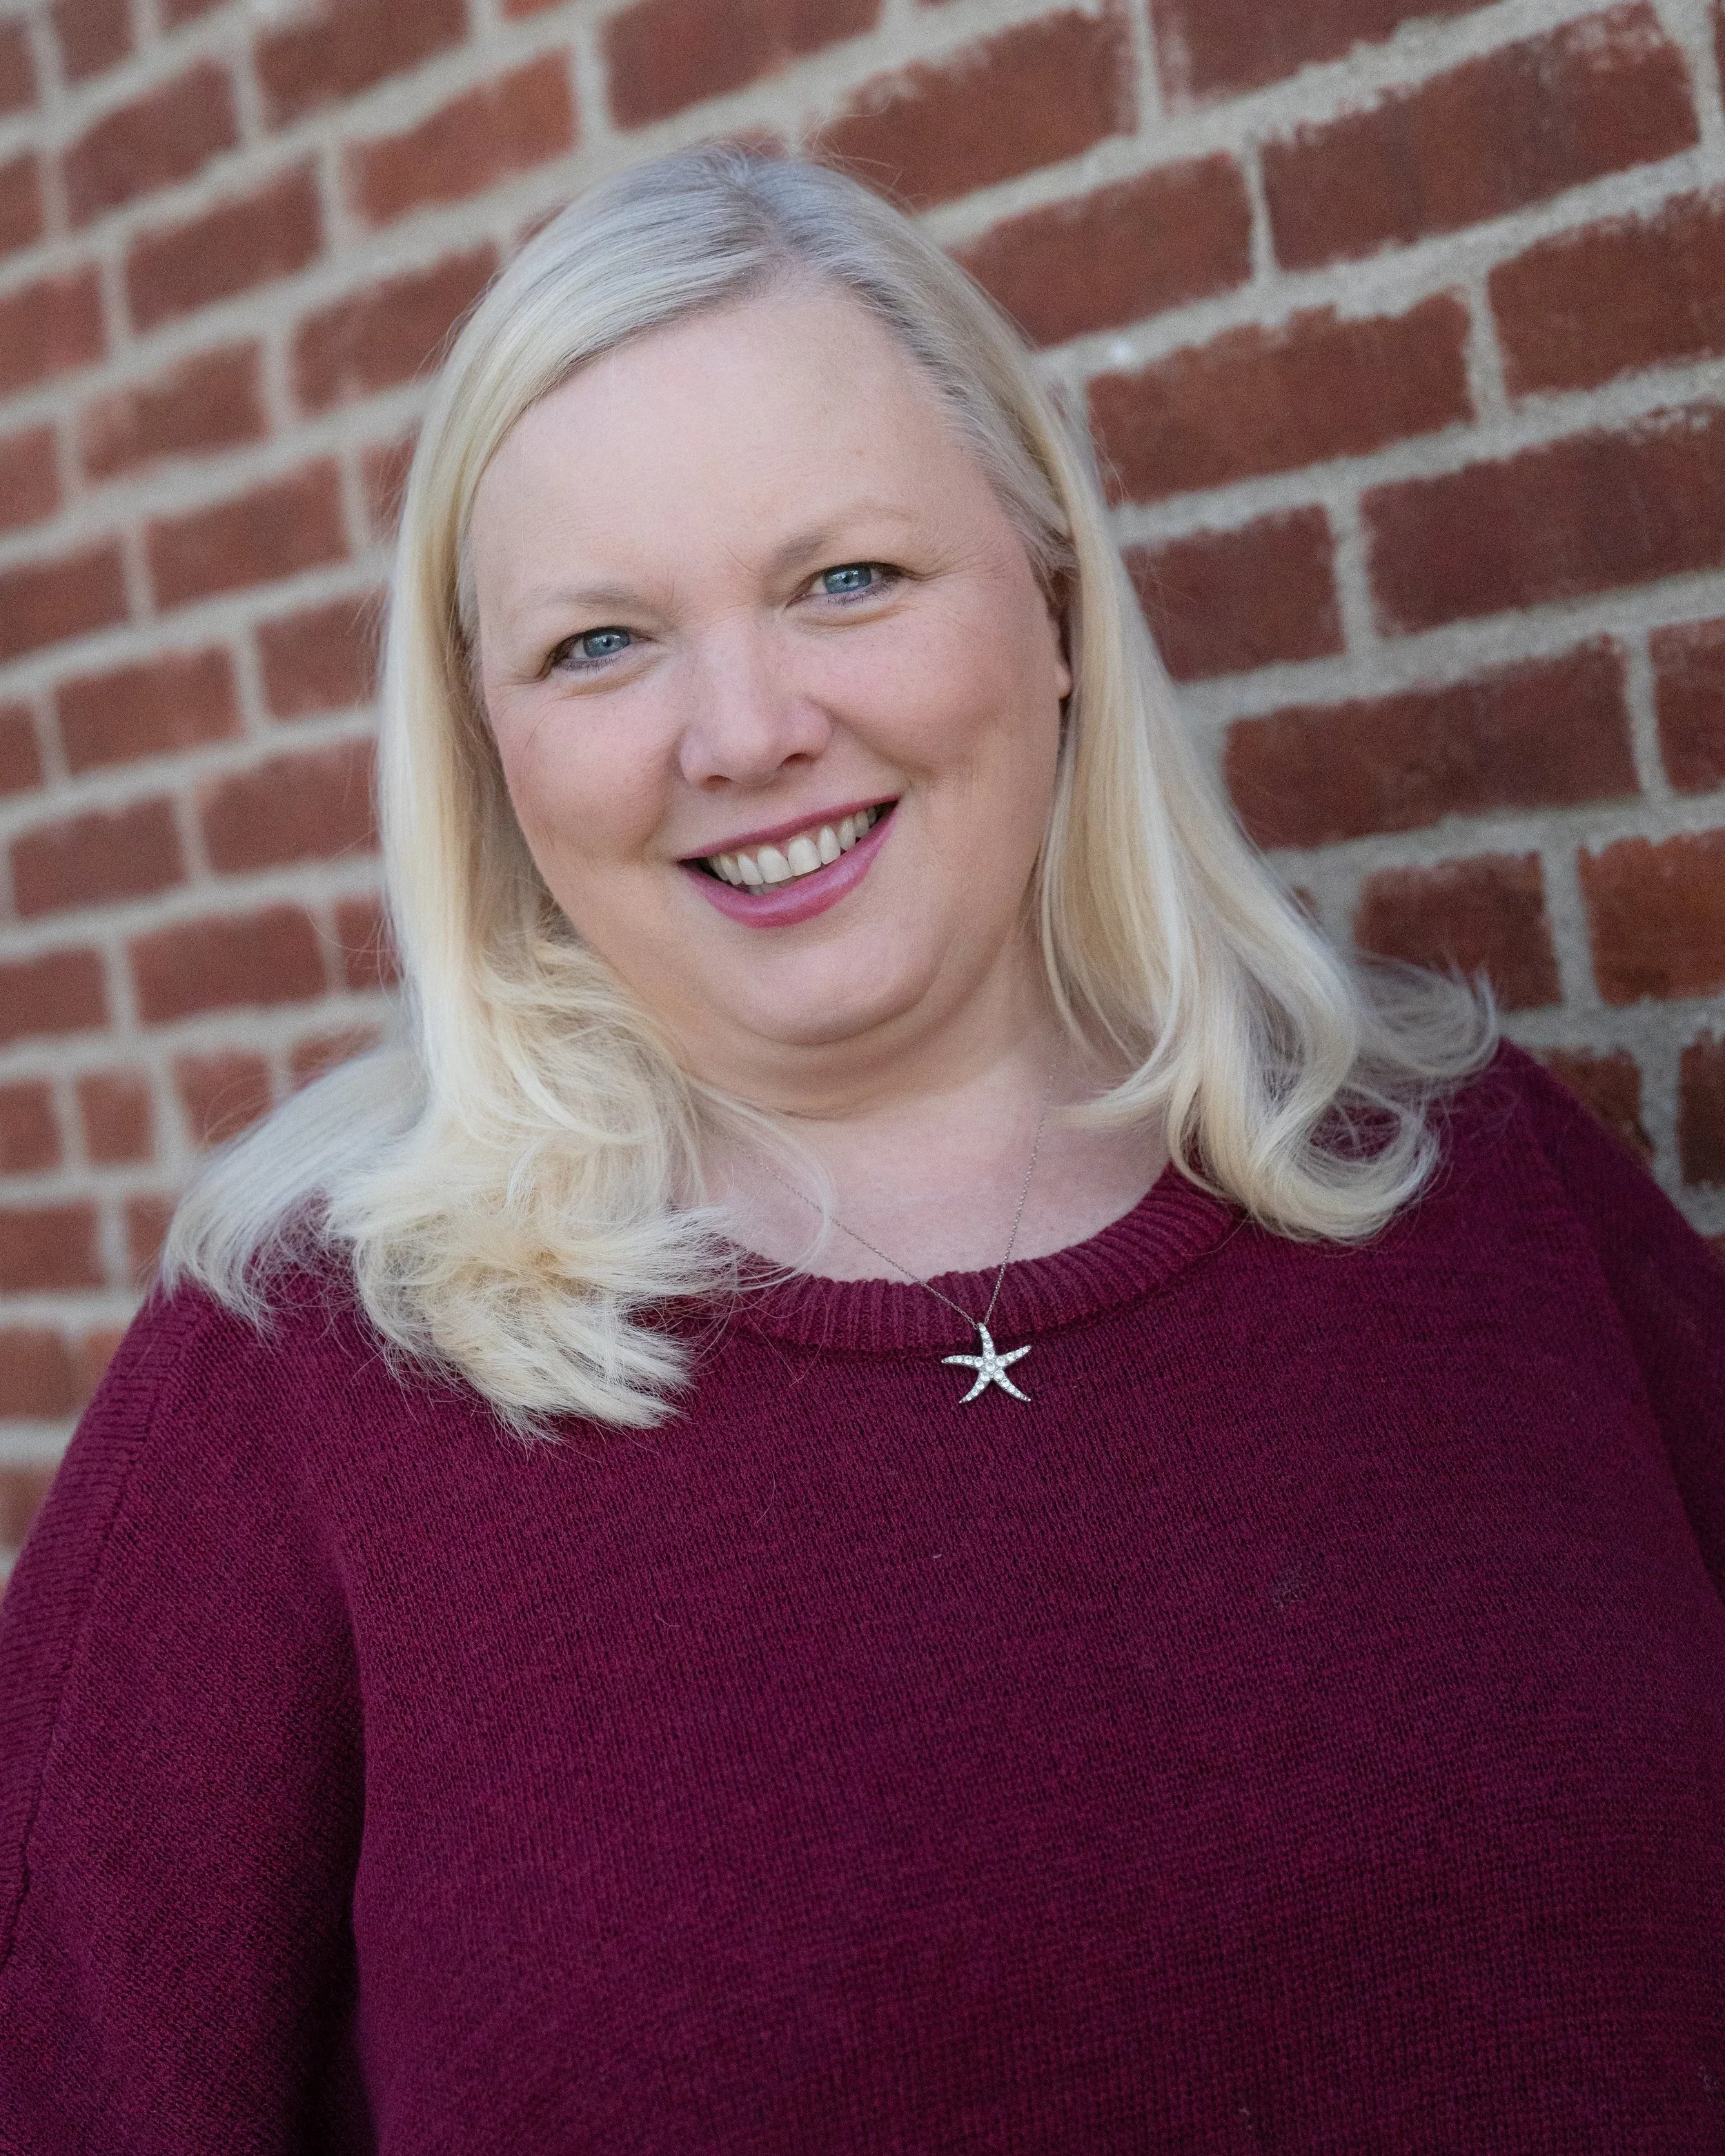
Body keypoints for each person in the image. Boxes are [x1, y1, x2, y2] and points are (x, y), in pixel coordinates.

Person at [1, 146, 1722, 2153]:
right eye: (598, 643)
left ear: (1052, 605)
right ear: (487, 754)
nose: (743, 733)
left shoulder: (1470, 1179)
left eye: (846, 581)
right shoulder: (305, 1372)